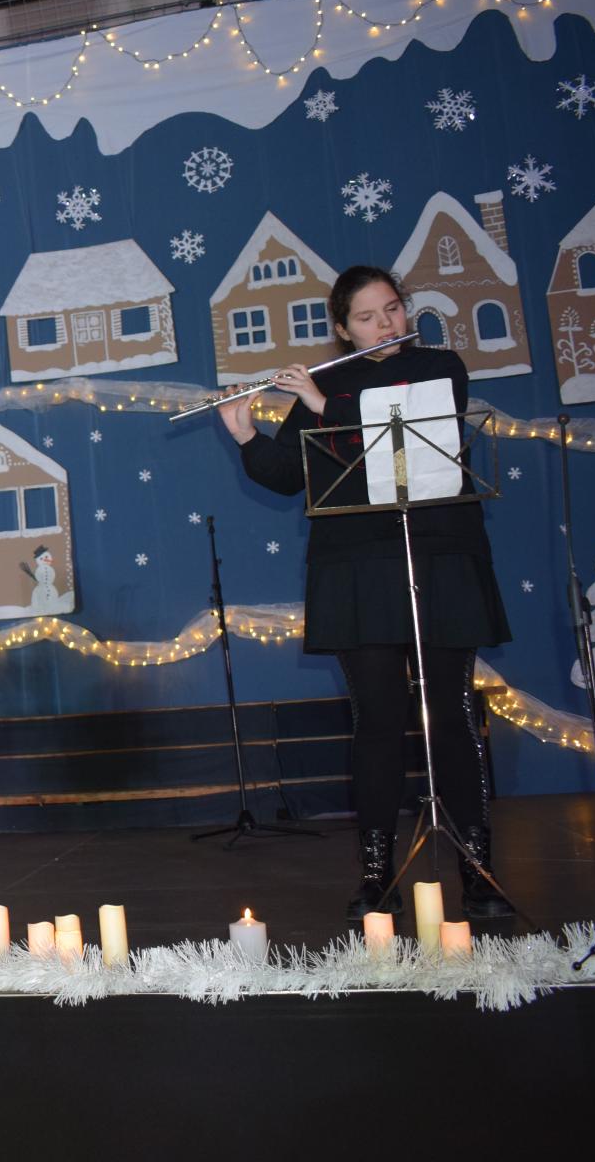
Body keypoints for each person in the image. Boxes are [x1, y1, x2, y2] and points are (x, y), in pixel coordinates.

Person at [219, 266, 513, 920]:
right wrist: (245, 433)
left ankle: (478, 870)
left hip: (438, 553)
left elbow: (414, 428)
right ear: (342, 329)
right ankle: (378, 875)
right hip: (356, 563)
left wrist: (324, 404)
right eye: (368, 317)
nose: (386, 324)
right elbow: (287, 475)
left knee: (450, 715)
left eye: (393, 310)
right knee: (376, 720)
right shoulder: (329, 382)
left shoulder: (439, 367)